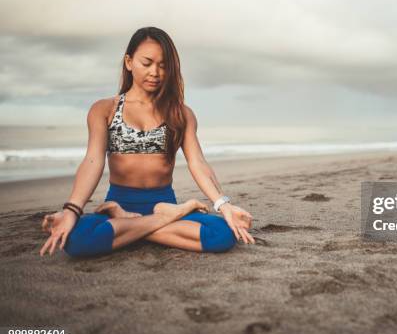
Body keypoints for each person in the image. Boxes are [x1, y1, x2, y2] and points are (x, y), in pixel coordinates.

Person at [39, 27, 255, 258]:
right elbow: (93, 161)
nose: (155, 72)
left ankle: (136, 223)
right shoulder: (104, 110)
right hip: (120, 202)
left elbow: (198, 162)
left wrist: (224, 205)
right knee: (75, 240)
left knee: (223, 234)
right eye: (147, 63)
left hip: (161, 202)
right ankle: (163, 219)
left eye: (163, 65)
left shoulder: (180, 114)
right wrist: (72, 210)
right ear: (129, 62)